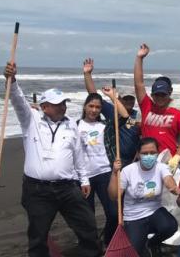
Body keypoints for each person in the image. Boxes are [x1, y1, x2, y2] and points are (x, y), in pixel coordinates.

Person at [4, 62, 102, 257]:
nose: (63, 107)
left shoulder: (71, 125)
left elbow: (78, 155)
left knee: (88, 226)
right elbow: (17, 99)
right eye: (58, 104)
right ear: (44, 106)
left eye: (64, 103)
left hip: (67, 187)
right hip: (38, 190)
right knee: (38, 236)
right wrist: (11, 79)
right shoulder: (31, 119)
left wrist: (83, 179)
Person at [109, 138, 179, 257]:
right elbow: (113, 196)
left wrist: (173, 187)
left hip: (154, 211)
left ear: (157, 153)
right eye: (145, 153)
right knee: (135, 251)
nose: (149, 156)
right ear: (138, 154)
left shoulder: (161, 167)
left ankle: (151, 244)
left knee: (170, 226)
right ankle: (143, 245)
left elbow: (168, 179)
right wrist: (114, 173)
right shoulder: (128, 170)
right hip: (133, 216)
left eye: (152, 153)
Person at [77, 90, 125, 247]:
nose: (94, 110)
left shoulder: (106, 125)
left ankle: (108, 241)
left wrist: (113, 97)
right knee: (87, 216)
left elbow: (127, 118)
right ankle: (92, 244)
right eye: (91, 106)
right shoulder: (75, 126)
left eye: (98, 107)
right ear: (85, 107)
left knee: (113, 213)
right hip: (84, 177)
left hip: (106, 173)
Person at [133, 44, 180, 172]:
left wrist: (178, 156)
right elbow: (138, 83)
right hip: (147, 159)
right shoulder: (147, 106)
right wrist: (139, 58)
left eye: (163, 94)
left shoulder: (177, 114)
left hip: (169, 162)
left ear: (169, 94)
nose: (160, 98)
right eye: (156, 95)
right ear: (152, 95)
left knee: (170, 191)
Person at [82, 58, 140, 167]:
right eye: (126, 98)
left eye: (131, 99)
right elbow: (93, 96)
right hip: (115, 159)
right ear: (119, 98)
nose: (129, 101)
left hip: (133, 161)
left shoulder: (138, 115)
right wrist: (87, 75)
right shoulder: (111, 110)